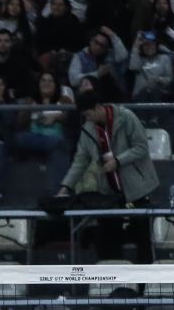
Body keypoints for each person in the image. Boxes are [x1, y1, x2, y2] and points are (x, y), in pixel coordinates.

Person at [57, 91, 157, 261]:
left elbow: (141, 148)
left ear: (97, 108)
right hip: (109, 194)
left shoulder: (126, 117)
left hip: (137, 192)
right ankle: (113, 282)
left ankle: (142, 286)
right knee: (106, 240)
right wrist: (65, 187)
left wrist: (118, 161)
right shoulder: (88, 129)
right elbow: (80, 161)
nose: (87, 119)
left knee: (143, 242)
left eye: (88, 114)